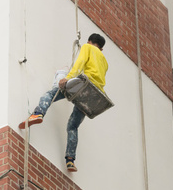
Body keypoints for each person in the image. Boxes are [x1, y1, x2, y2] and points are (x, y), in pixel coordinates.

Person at [19, 33, 108, 172]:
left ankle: (38, 113)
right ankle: (70, 160)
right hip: (93, 94)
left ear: (89, 42)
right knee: (73, 126)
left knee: (50, 93)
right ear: (101, 49)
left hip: (83, 85)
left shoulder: (87, 47)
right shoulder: (104, 60)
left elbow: (80, 63)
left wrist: (68, 78)